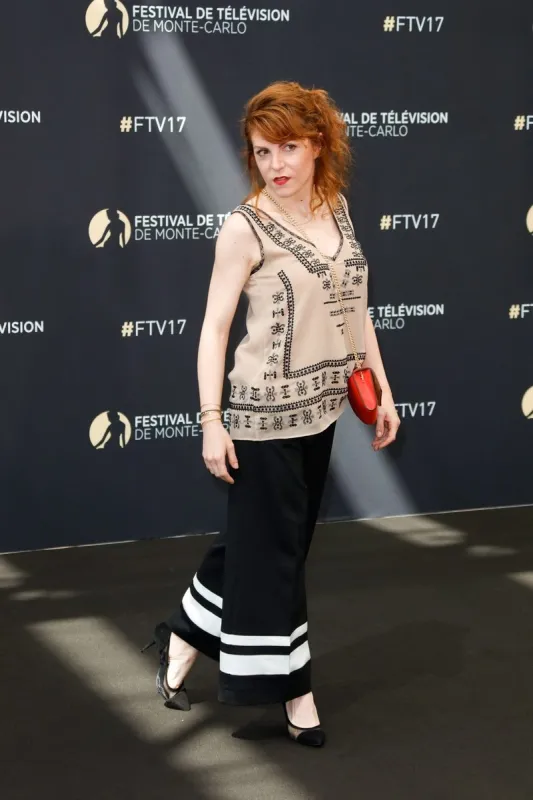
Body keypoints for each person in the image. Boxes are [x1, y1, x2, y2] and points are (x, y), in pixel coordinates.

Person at [143, 81, 401, 748]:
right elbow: (214, 329)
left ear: (318, 144)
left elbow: (356, 312)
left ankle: (182, 634)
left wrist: (382, 390)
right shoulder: (244, 226)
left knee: (263, 547)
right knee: (277, 557)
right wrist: (209, 418)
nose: (276, 164)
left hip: (320, 412)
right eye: (262, 152)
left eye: (289, 147)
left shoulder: (336, 209)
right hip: (259, 420)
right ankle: (295, 693)